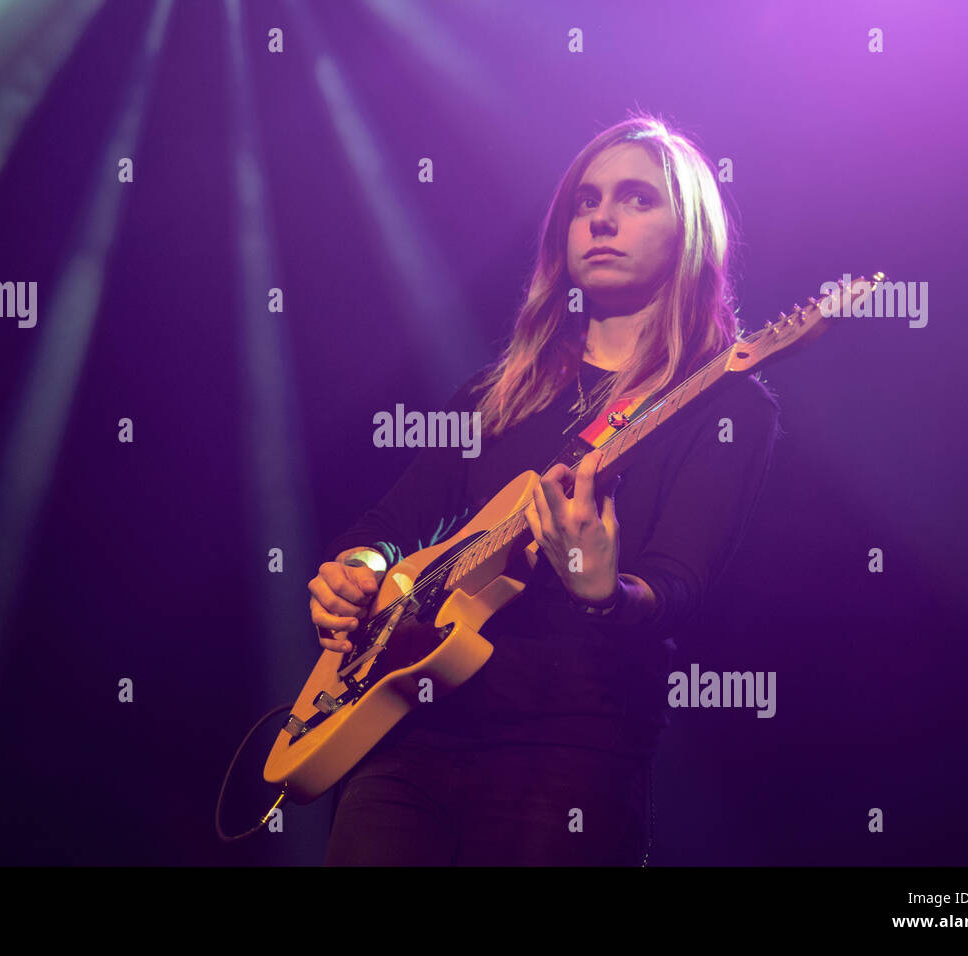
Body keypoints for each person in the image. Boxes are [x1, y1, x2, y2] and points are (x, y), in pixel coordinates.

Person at [308, 112, 782, 866]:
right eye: (585, 203)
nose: (601, 218)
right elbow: (388, 523)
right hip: (407, 738)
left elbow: (677, 585)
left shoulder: (726, 403)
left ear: (690, 228)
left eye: (635, 199)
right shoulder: (496, 396)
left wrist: (602, 591)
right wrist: (356, 571)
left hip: (570, 754)